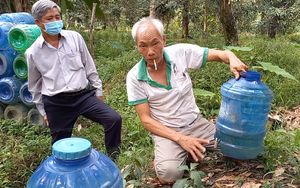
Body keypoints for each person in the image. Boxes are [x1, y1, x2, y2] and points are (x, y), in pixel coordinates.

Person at [126, 17, 248, 184]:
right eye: (143, 46)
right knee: (168, 176)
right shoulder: (134, 77)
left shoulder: (180, 53)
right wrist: (180, 138)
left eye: (155, 43)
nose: (150, 52)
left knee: (241, 149)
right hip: (166, 132)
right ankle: (170, 156)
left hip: (195, 124)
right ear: (137, 46)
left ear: (164, 39)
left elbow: (220, 54)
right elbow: (146, 120)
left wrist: (231, 57)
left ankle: (189, 152)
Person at [25, 0, 122, 160]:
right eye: (49, 18)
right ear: (38, 22)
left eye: (57, 17)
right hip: (56, 103)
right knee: (60, 144)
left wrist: (98, 92)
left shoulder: (75, 38)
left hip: (83, 97)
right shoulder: (33, 52)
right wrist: (43, 111)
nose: (55, 21)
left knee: (113, 119)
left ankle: (113, 157)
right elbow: (34, 86)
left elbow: (90, 67)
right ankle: (64, 173)